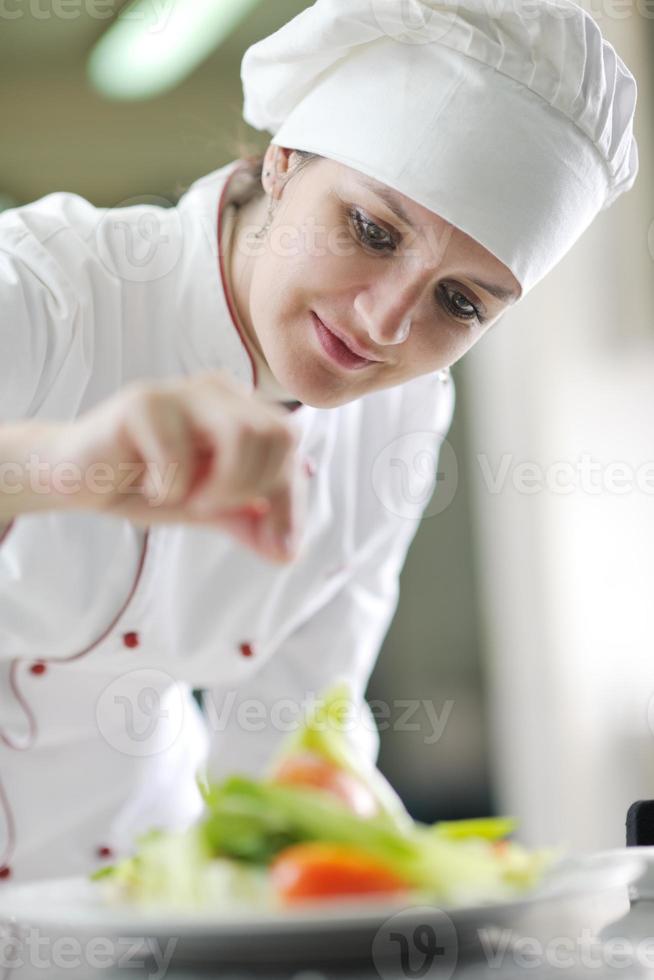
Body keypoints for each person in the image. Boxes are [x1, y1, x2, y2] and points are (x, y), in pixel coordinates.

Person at [0, 0, 638, 883]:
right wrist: (48, 468)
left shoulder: (402, 417)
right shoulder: (44, 290)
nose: (385, 323)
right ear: (282, 161)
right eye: (371, 231)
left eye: (461, 303)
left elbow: (297, 734)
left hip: (134, 910)